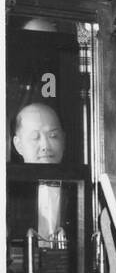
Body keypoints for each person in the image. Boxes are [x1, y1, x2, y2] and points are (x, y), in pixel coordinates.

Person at [12, 103, 70, 246]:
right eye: (35, 137)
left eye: (53, 136)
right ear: (18, 145)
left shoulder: (79, 189)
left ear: (64, 140)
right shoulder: (8, 194)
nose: (45, 146)